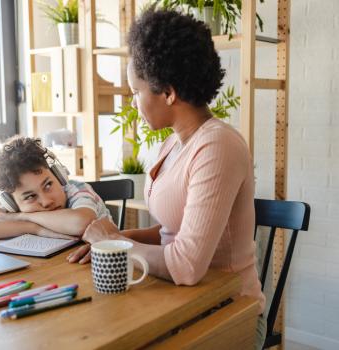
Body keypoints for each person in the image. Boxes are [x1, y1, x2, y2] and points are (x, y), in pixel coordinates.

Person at [67, 9, 266, 348]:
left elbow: (187, 266)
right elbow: (176, 229)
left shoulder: (218, 145)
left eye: (136, 91)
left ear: (169, 92)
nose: (133, 102)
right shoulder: (172, 143)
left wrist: (113, 244)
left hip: (229, 308)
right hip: (182, 299)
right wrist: (122, 236)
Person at [0, 136, 112, 241]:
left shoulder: (78, 190)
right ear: (11, 204)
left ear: (59, 176)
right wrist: (34, 228)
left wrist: (21, 217)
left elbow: (81, 223)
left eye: (48, 185)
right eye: (30, 196)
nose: (47, 201)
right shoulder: (8, 207)